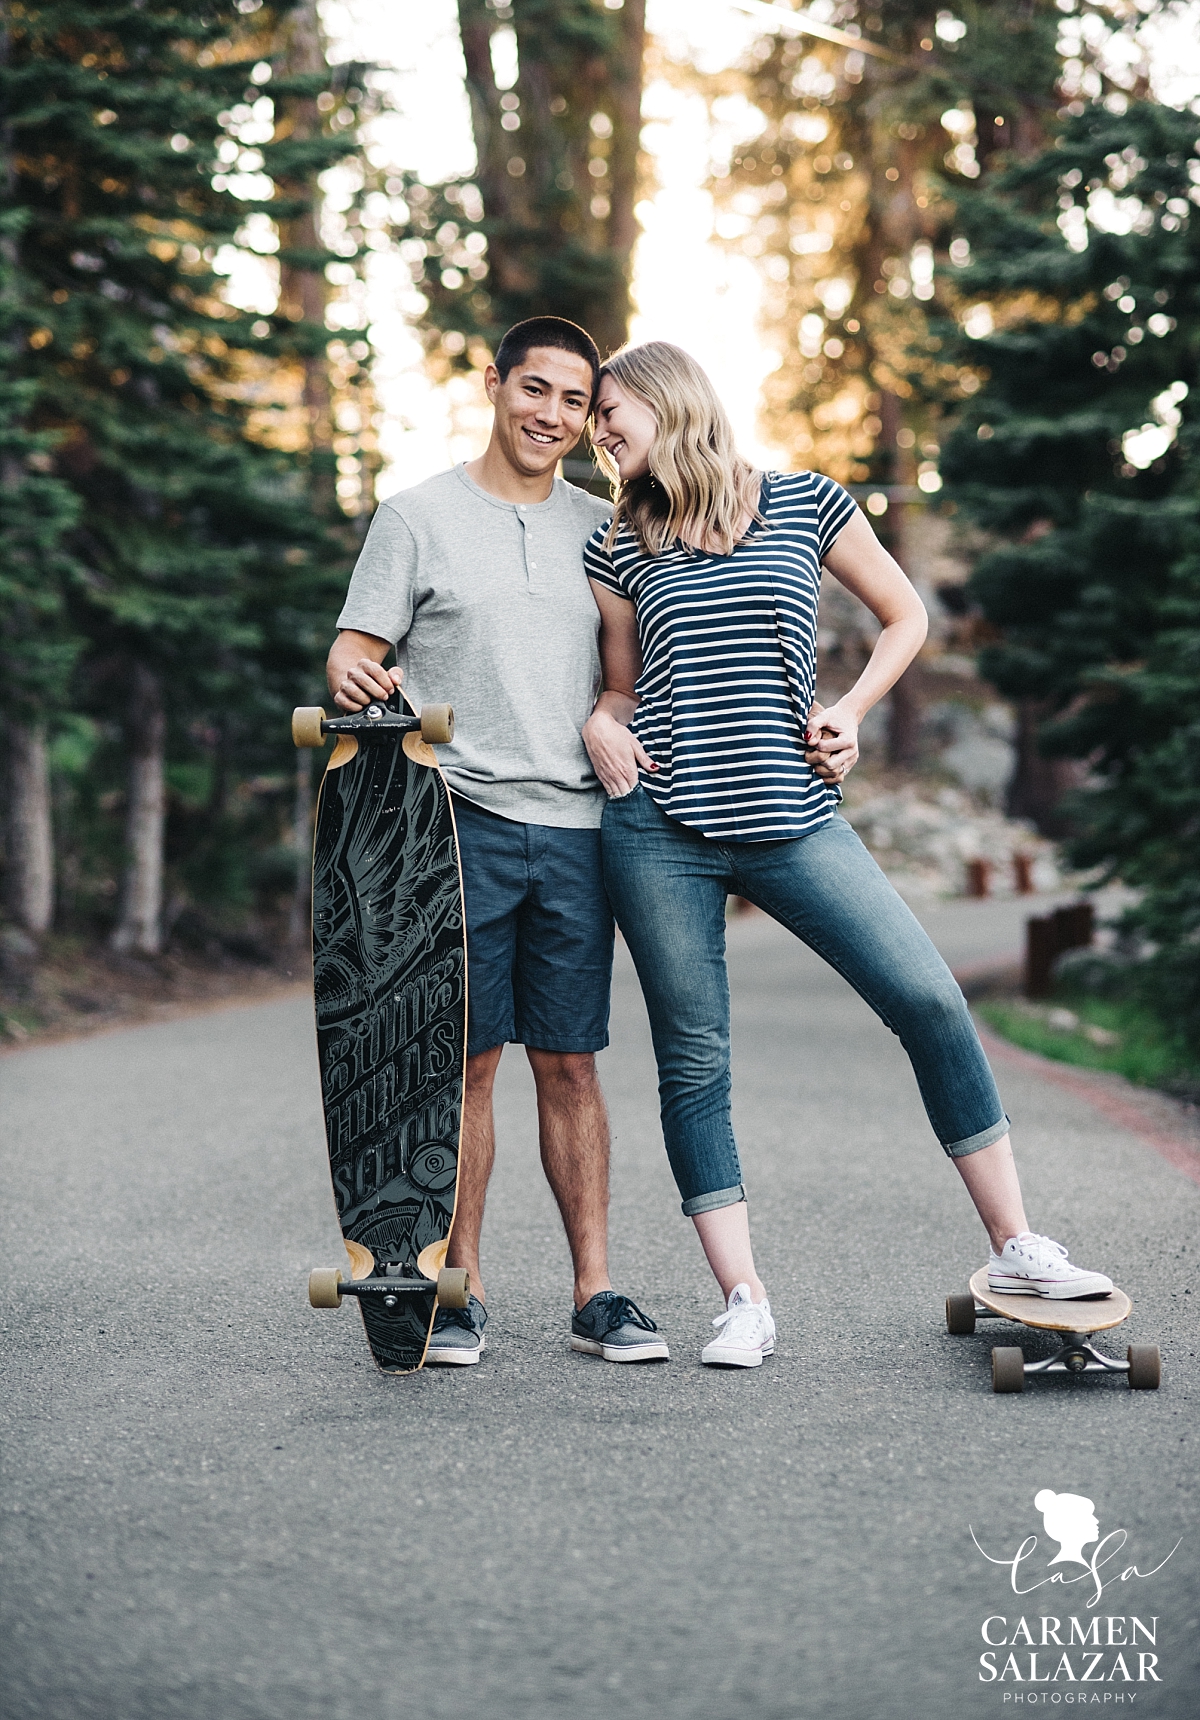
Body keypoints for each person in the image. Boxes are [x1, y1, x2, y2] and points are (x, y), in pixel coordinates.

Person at [580, 340, 1113, 1370]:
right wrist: (601, 723)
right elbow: (621, 687)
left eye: (611, 408)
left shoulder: (804, 502)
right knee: (694, 1061)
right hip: (659, 827)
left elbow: (905, 613)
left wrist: (855, 710)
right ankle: (742, 1298)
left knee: (927, 999)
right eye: (596, 416)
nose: (600, 429)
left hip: (794, 815)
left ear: (668, 398)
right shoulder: (621, 544)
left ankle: (1017, 1248)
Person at [327, 316, 667, 1367]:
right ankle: (454, 1286)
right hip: (451, 825)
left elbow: (634, 674)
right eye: (536, 391)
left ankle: (597, 1290)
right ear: (494, 384)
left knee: (571, 1063)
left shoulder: (603, 525)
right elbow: (354, 646)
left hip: (575, 828)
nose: (554, 417)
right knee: (463, 1063)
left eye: (575, 402)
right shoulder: (417, 516)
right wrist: (348, 671)